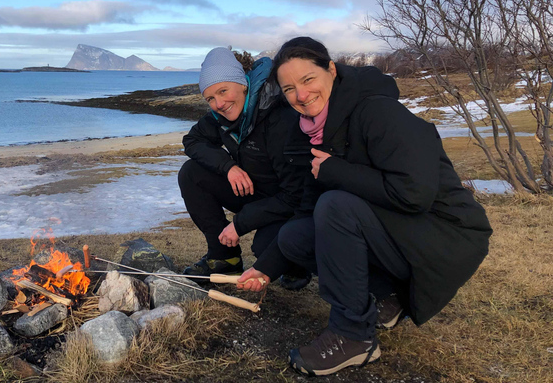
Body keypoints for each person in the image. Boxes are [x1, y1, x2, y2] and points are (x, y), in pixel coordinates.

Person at [237, 37, 492, 377]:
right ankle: (388, 295)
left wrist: (336, 171)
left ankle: (353, 336)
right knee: (297, 235)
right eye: (288, 88)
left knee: (336, 207)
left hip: (448, 233)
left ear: (331, 70)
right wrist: (266, 267)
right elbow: (306, 209)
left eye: (308, 80)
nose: (300, 95)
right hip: (405, 231)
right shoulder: (312, 131)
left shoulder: (377, 111)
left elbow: (415, 194)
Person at [179, 47, 312, 287]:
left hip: (291, 203)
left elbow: (296, 195)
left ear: (242, 83)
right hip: (253, 191)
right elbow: (192, 141)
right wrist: (227, 166)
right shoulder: (220, 117)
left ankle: (297, 263)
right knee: (191, 173)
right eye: (210, 98)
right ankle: (224, 258)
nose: (219, 103)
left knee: (264, 246)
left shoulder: (279, 117)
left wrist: (240, 224)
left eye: (223, 91)